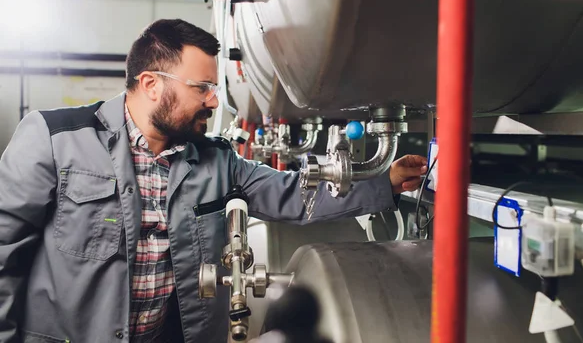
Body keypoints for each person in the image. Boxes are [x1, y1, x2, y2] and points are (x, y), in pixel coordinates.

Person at [0, 19, 427, 343]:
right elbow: (4, 252)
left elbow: (293, 195)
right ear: (151, 84)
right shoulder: (55, 140)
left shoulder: (216, 160)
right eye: (201, 87)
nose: (213, 100)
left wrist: (383, 183)